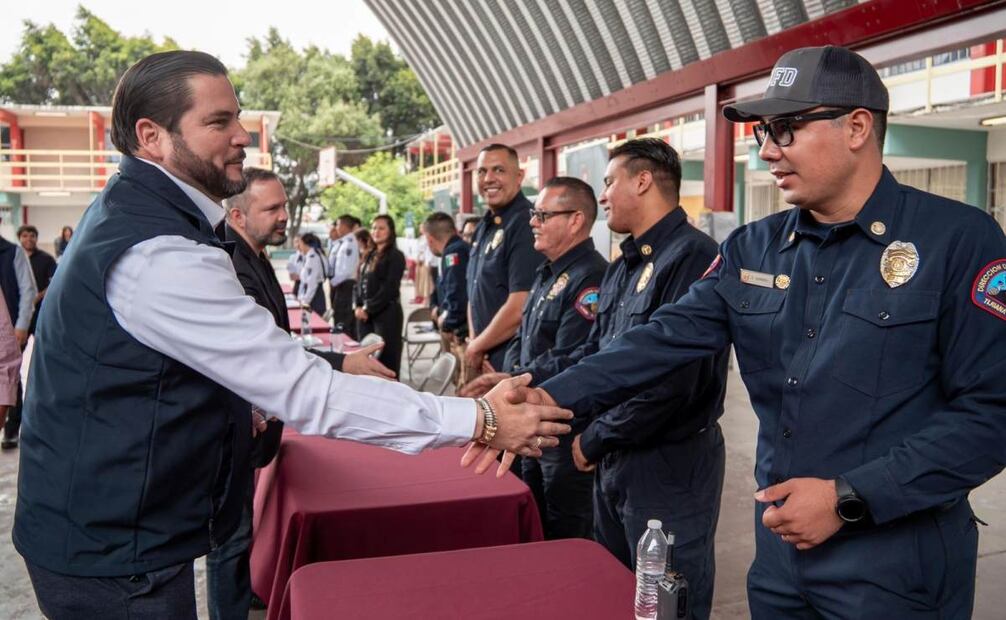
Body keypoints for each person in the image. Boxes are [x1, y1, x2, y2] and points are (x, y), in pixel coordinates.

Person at [14, 50, 571, 619]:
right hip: (112, 550)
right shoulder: (158, 250)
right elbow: (308, 393)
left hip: (113, 527)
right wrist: (481, 420)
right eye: (218, 122)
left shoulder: (137, 216)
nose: (242, 137)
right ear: (151, 137)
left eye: (238, 117)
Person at [472, 46, 1006, 619]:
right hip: (780, 557)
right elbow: (660, 339)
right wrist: (543, 396)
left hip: (897, 560)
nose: (768, 150)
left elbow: (991, 414)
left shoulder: (957, 241)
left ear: (856, 127)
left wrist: (848, 498)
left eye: (786, 128)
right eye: (762, 132)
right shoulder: (754, 248)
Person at [208, 168, 392, 620]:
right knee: (228, 538)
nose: (284, 216)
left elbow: (279, 342)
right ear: (237, 215)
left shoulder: (254, 255)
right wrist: (341, 363)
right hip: (234, 425)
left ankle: (243, 590)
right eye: (272, 208)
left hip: (254, 424)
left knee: (238, 532)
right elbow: (268, 352)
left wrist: (343, 362)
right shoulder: (233, 268)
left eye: (285, 206)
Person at [466, 176, 608, 540]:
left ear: (575, 220)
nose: (533, 222)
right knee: (532, 523)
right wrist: (510, 373)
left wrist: (516, 378)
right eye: (534, 213)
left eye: (543, 215)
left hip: (562, 429)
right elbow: (525, 336)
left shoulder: (590, 276)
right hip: (530, 422)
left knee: (566, 530)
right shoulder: (548, 271)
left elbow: (576, 355)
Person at [465, 144, 544, 375]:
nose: (488, 178)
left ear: (519, 176)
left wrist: (477, 347)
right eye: (482, 171)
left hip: (509, 362)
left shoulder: (526, 224)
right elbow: (474, 292)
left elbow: (521, 304)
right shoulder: (484, 226)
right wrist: (475, 342)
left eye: (498, 170)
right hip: (481, 354)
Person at [0, 218, 37, 450]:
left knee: (10, 377)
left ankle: (12, 429)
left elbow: (28, 290)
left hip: (10, 328)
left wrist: (21, 326)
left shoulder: (13, 252)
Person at [355, 214, 407, 376]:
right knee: (365, 360)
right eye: (374, 228)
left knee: (386, 362)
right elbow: (358, 283)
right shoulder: (369, 254)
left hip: (386, 315)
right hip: (364, 317)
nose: (376, 231)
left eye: (381, 228)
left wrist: (367, 309)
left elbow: (389, 288)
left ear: (390, 231)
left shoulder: (396, 256)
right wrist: (357, 306)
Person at [424, 211, 469, 340]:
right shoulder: (456, 249)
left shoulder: (453, 252)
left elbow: (456, 290)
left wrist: (448, 322)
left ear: (430, 239)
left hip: (460, 329)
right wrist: (435, 307)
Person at [17, 225, 57, 338]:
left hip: (41, 310)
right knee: (16, 345)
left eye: (32, 236)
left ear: (36, 238)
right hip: (19, 311)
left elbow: (55, 283)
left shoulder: (47, 259)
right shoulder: (14, 259)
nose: (29, 239)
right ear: (19, 238)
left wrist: (38, 297)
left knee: (42, 342)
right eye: (25, 236)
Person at [328, 214, 360, 331]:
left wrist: (333, 282)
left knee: (344, 321)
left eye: (337, 225)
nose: (336, 228)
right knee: (338, 317)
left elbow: (346, 271)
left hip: (346, 286)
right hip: (340, 285)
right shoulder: (342, 242)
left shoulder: (349, 243)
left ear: (344, 226)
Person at [296, 232, 329, 317]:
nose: (299, 246)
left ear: (305, 244)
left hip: (313, 298)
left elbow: (312, 284)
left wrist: (305, 302)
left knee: (311, 323)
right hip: (313, 295)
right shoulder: (314, 255)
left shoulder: (313, 258)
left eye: (300, 243)